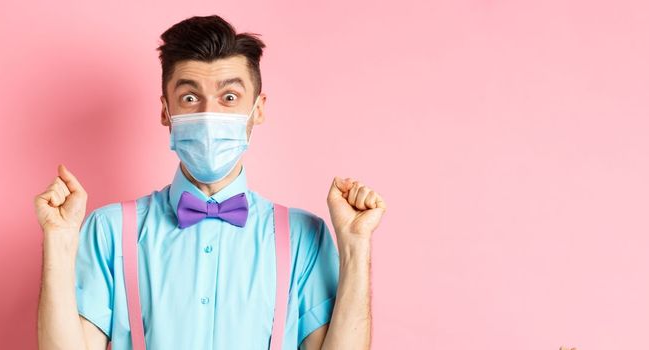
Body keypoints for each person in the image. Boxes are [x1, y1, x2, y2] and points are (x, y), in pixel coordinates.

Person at [35, 15, 387, 350]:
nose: (209, 114)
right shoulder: (110, 229)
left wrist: (356, 246)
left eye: (229, 98)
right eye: (190, 98)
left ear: (258, 108)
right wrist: (59, 241)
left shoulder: (303, 235)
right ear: (165, 111)